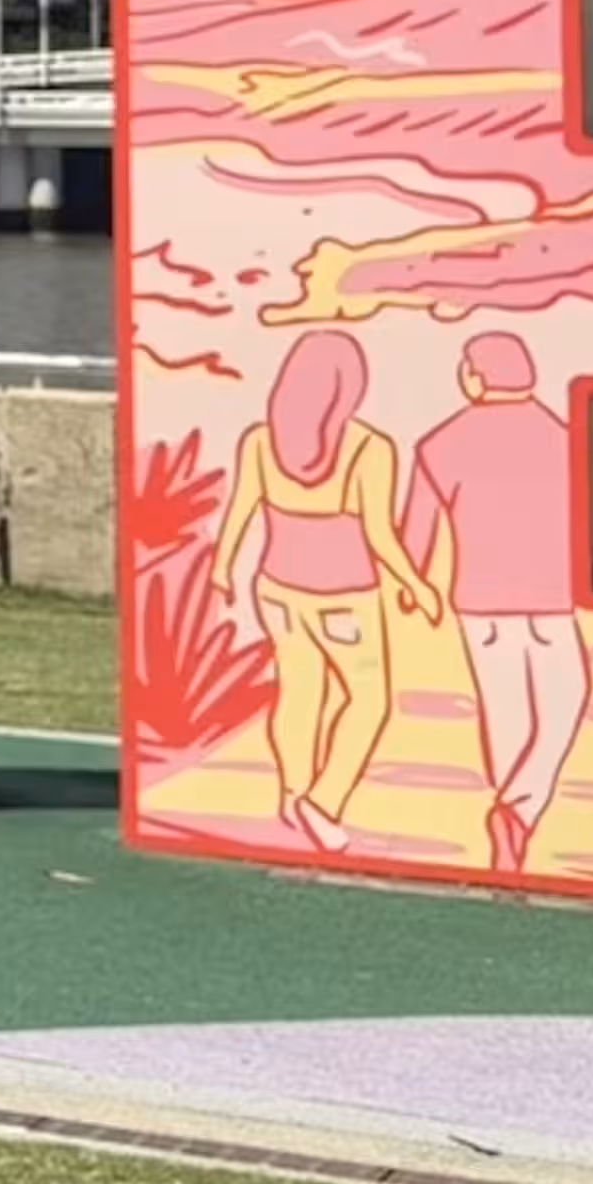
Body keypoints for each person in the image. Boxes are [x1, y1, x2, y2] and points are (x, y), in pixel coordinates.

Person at [208, 325, 435, 852]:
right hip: (345, 593)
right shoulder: (367, 448)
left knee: (299, 692)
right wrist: (417, 585)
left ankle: (292, 794)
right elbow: (380, 535)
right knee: (368, 698)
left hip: (277, 589)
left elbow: (242, 510)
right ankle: (325, 802)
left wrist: (223, 570)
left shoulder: (261, 440)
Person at [409, 329, 593, 873]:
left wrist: (415, 586)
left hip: (479, 602)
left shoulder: (438, 444)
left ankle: (512, 817)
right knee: (566, 702)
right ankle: (521, 812)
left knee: (505, 716)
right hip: (552, 597)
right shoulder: (566, 436)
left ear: (474, 375)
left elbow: (416, 531)